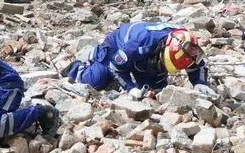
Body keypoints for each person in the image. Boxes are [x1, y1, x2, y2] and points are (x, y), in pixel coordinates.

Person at [63, 22, 216, 97]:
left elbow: (198, 64)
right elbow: (114, 67)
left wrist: (199, 83)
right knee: (94, 81)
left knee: (153, 93)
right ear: (163, 47)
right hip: (118, 45)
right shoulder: (138, 43)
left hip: (150, 59)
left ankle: (126, 79)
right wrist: (130, 89)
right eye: (164, 63)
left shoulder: (188, 45)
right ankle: (80, 66)